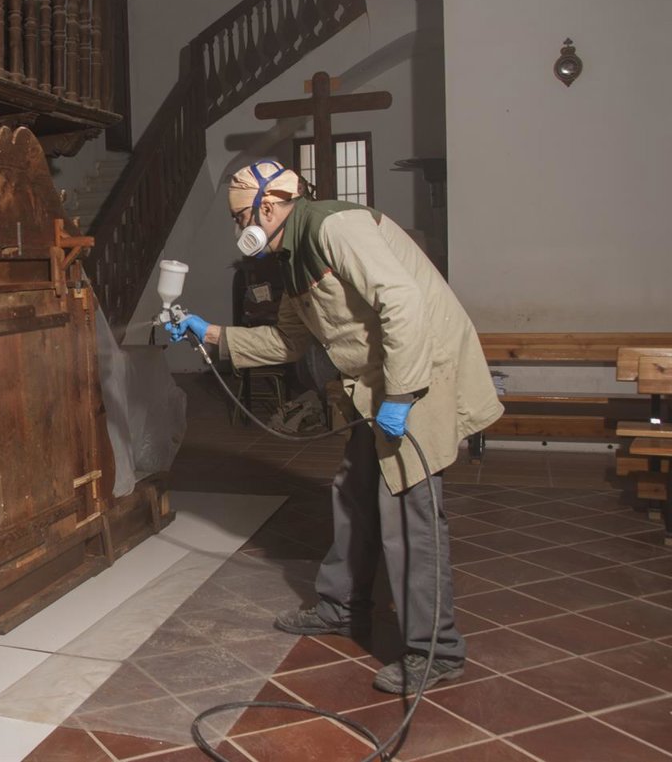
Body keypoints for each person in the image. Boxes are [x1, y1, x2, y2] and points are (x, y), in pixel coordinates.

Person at [166, 159, 503, 694]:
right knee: (353, 491)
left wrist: (402, 394)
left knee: (409, 513)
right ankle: (343, 605)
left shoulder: (334, 227)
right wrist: (209, 334)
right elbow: (287, 342)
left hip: (417, 375)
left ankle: (436, 651)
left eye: (240, 219)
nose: (240, 231)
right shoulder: (293, 256)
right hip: (378, 386)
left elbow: (402, 301)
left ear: (269, 208)